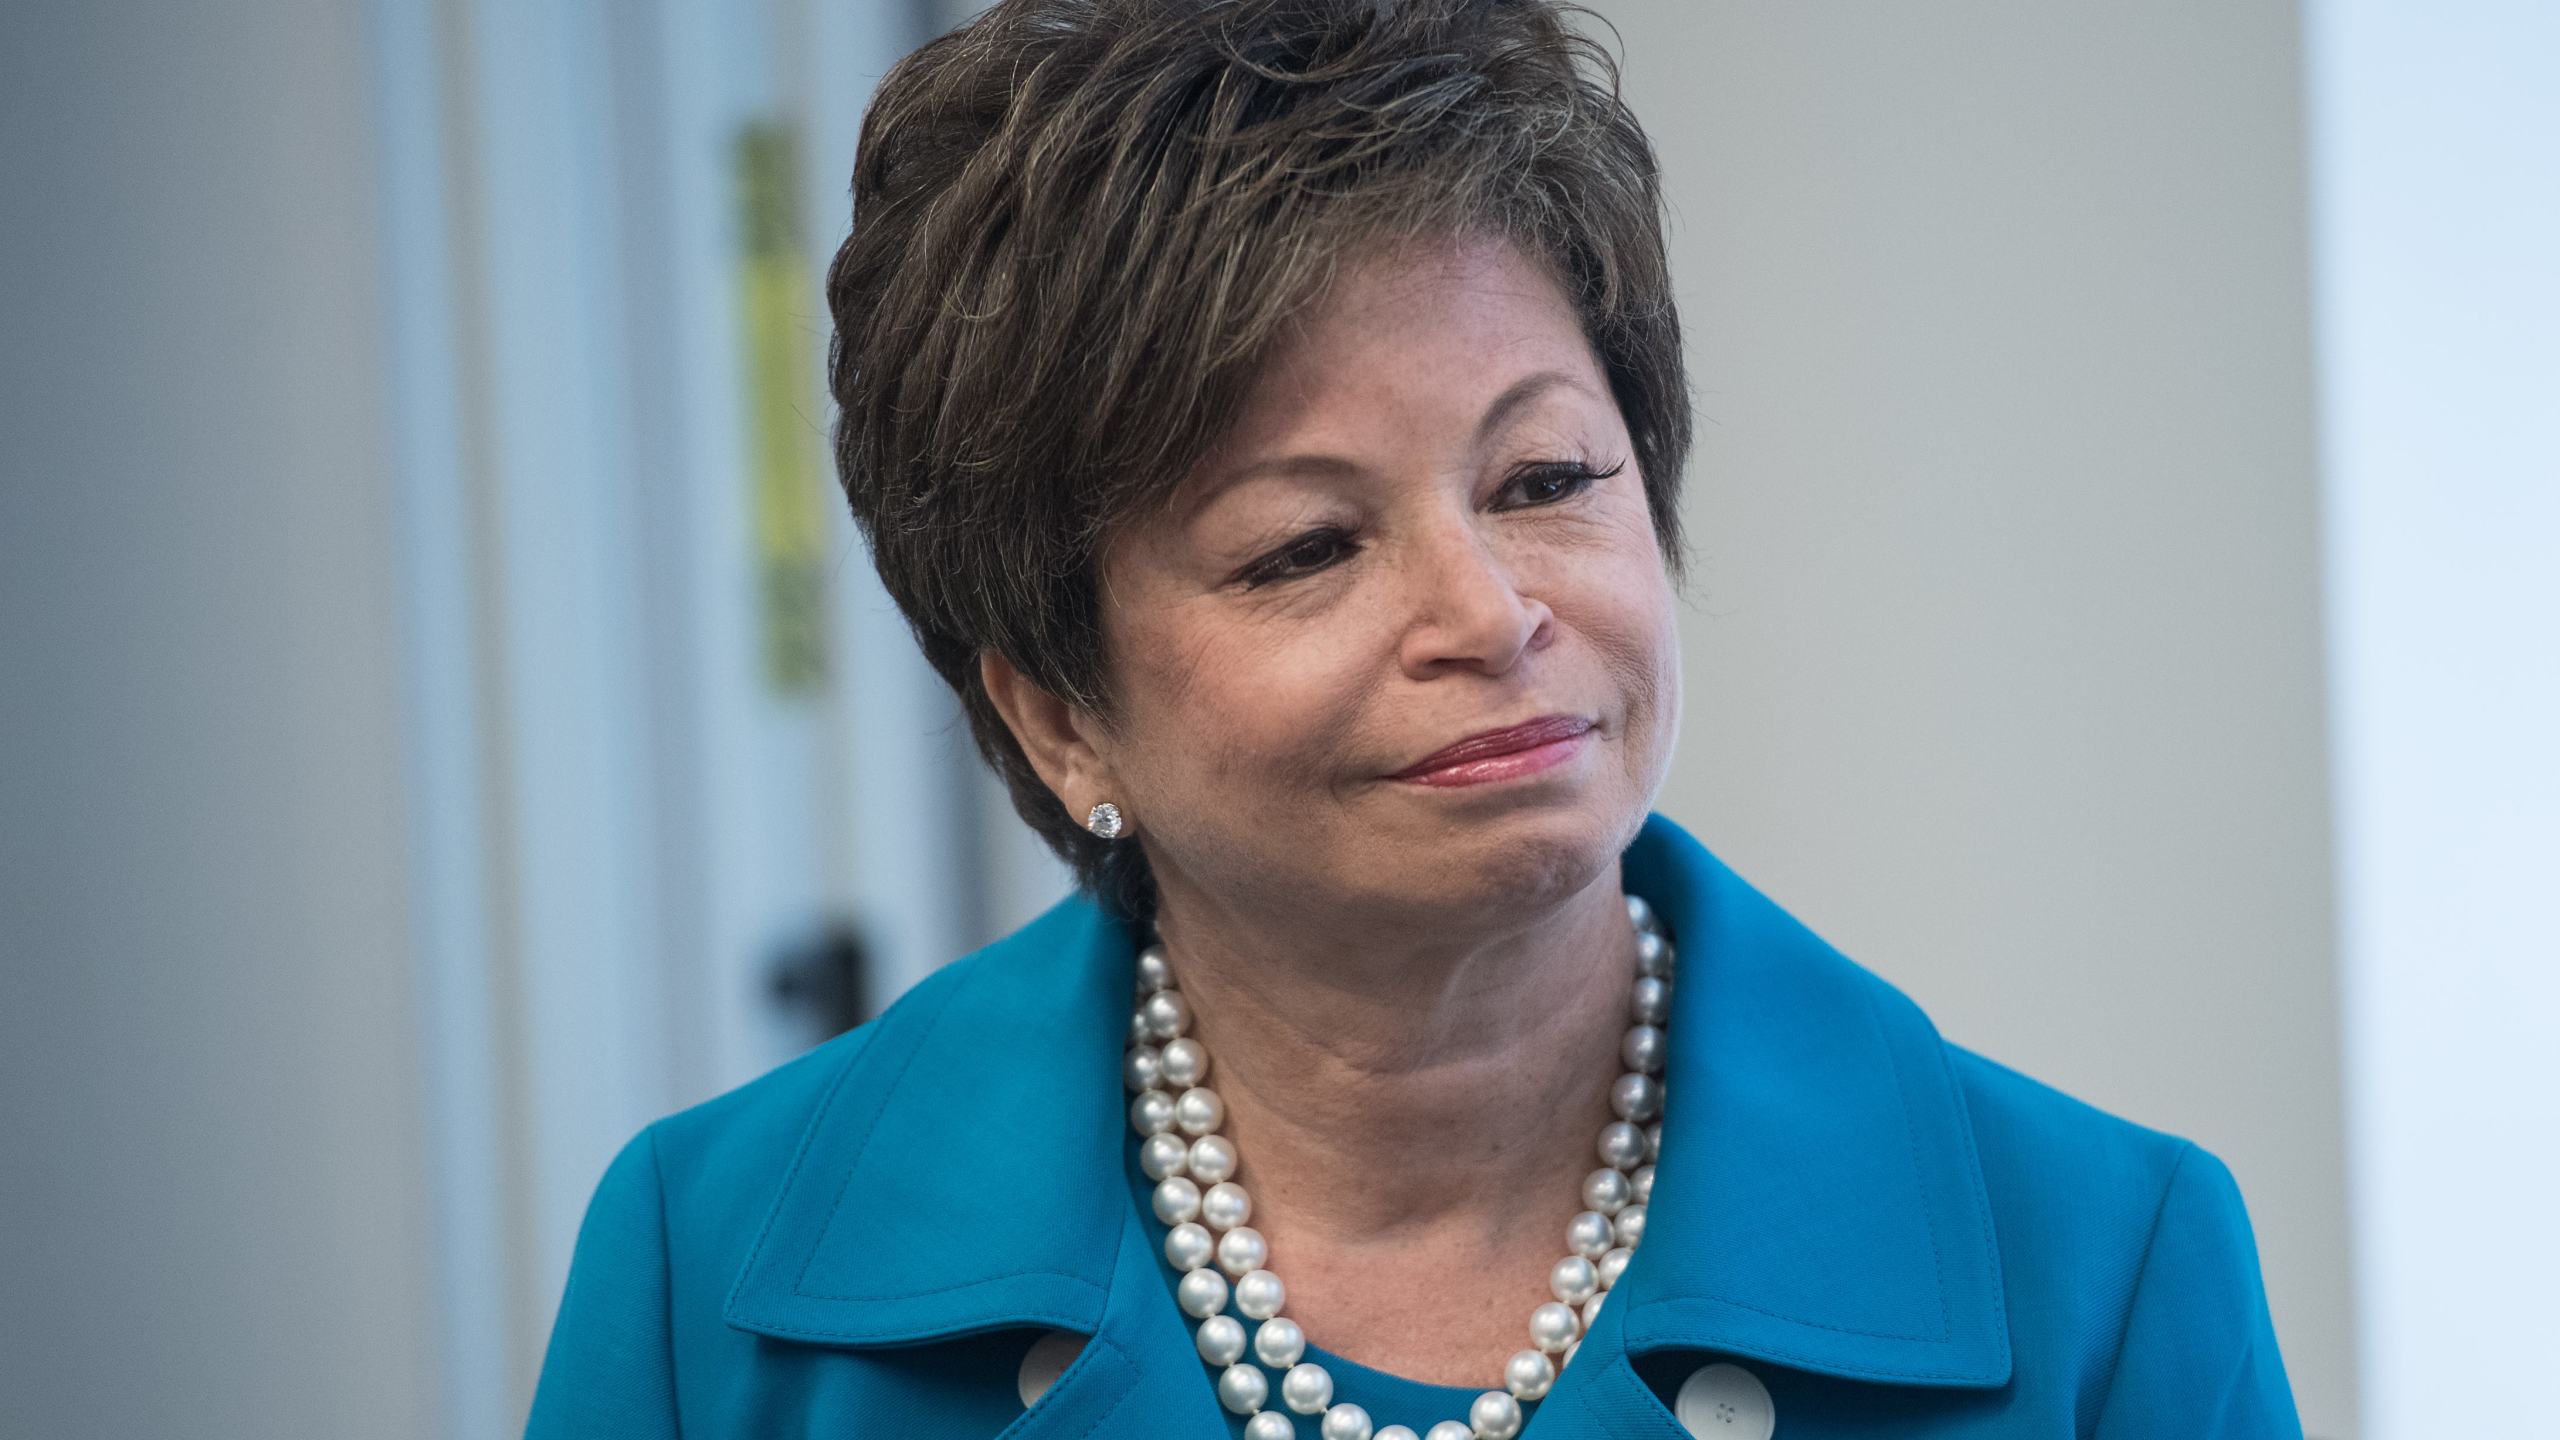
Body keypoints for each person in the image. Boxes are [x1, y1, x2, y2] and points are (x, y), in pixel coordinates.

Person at [526, 1, 2303, 1436]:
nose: (1488, 611)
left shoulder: (2101, 1264)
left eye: (1543, 475)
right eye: (1304, 546)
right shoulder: (716, 1278)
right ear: (1061, 714)